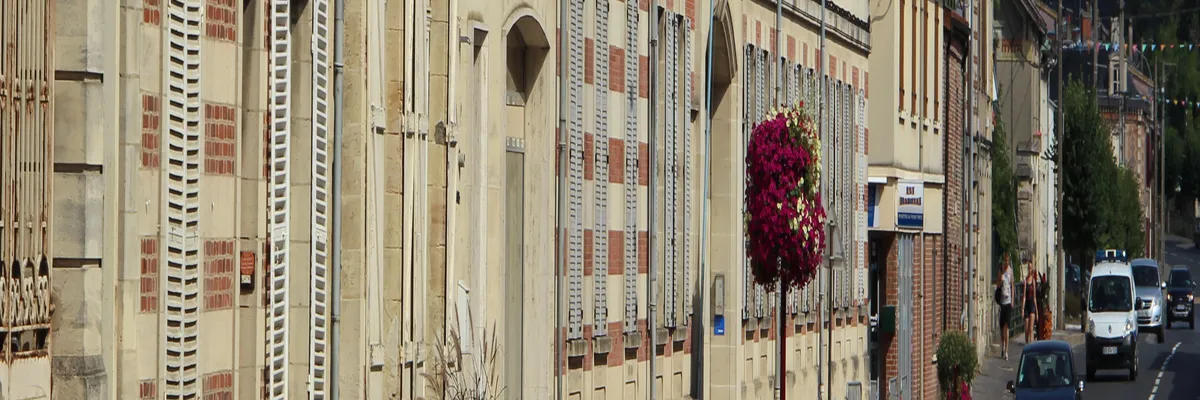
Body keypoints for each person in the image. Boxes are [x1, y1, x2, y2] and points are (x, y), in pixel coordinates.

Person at [998, 254, 1014, 360]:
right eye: (1005, 260)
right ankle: (1003, 345)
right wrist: (1001, 280)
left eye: (1008, 260)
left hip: (1008, 302)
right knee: (1001, 328)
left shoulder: (1011, 271)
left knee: (1007, 327)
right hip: (1001, 302)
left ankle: (1007, 351)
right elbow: (998, 286)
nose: (1006, 262)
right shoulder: (1001, 271)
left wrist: (1012, 300)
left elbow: (1013, 285)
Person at [1023, 265, 1039, 344]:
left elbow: (1035, 297)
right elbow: (1024, 296)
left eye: (1030, 268)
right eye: (1028, 268)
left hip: (1032, 305)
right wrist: (1022, 309)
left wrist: (1037, 311)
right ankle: (1027, 343)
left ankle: (1032, 344)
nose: (1029, 270)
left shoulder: (1033, 281)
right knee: (1026, 329)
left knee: (1031, 329)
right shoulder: (1025, 281)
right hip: (1027, 305)